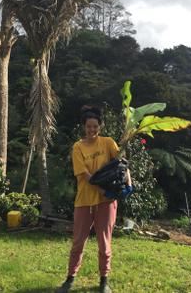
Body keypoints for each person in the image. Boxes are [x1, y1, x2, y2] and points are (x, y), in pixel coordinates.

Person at [56, 106, 132, 293]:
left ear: (100, 126)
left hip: (106, 203)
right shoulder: (78, 147)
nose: (92, 130)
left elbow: (123, 165)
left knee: (104, 243)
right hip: (84, 201)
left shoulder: (108, 143)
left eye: (95, 126)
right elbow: (85, 176)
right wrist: (106, 190)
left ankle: (104, 281)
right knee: (78, 243)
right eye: (88, 126)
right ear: (84, 126)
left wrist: (128, 185)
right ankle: (70, 279)